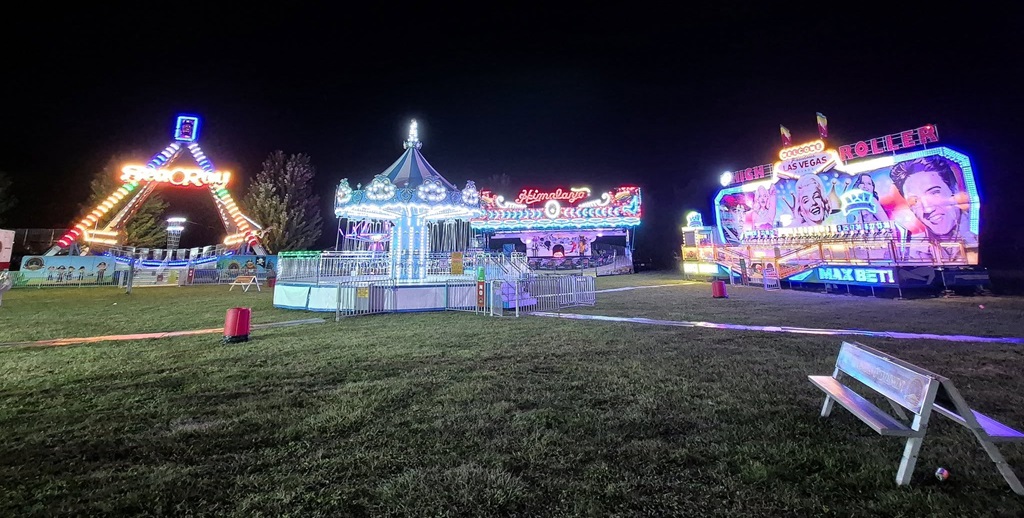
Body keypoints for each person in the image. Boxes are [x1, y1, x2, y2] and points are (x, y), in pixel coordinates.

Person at [889, 156, 977, 263]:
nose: (927, 209)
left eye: (934, 193)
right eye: (914, 201)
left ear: (953, 188)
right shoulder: (911, 250)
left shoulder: (979, 233)